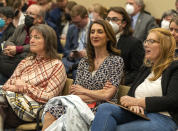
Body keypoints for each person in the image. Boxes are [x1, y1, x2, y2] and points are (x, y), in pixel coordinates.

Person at [41, 19, 124, 131]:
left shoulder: (116, 61)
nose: (95, 35)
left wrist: (84, 91)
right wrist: (98, 93)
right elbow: (75, 93)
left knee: (71, 119)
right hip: (80, 105)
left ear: (108, 37)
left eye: (100, 32)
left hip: (101, 110)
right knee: (51, 111)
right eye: (92, 32)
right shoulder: (84, 61)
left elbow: (108, 95)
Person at [91, 28, 178, 131]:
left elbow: (172, 100)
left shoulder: (175, 67)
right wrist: (131, 103)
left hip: (162, 117)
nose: (146, 44)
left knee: (118, 129)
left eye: (151, 41)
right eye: (146, 41)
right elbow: (130, 95)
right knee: (104, 108)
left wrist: (139, 102)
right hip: (138, 113)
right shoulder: (146, 68)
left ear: (164, 45)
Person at [0, 24, 67, 130]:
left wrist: (25, 87)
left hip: (35, 108)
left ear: (48, 41)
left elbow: (49, 97)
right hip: (12, 102)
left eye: (37, 37)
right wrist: (17, 87)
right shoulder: (26, 61)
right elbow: (8, 84)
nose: (31, 40)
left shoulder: (57, 65)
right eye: (31, 37)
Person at [0, 4, 45, 84]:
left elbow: (34, 46)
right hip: (11, 62)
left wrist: (17, 49)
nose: (27, 16)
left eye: (31, 14)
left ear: (39, 18)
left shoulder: (44, 31)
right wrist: (12, 48)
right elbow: (9, 41)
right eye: (26, 13)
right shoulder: (21, 27)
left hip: (28, 68)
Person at [106, 6, 144, 85]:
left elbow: (137, 71)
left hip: (121, 84)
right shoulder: (102, 39)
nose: (110, 22)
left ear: (124, 23)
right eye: (108, 19)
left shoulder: (134, 43)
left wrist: (117, 83)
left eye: (114, 19)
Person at [62, 4, 91, 79]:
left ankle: (72, 68)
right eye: (74, 22)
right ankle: (72, 67)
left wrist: (87, 53)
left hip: (87, 60)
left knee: (77, 73)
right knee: (57, 65)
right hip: (72, 59)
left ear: (86, 17)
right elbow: (66, 50)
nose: (76, 25)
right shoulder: (72, 28)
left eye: (78, 22)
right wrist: (71, 54)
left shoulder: (95, 28)